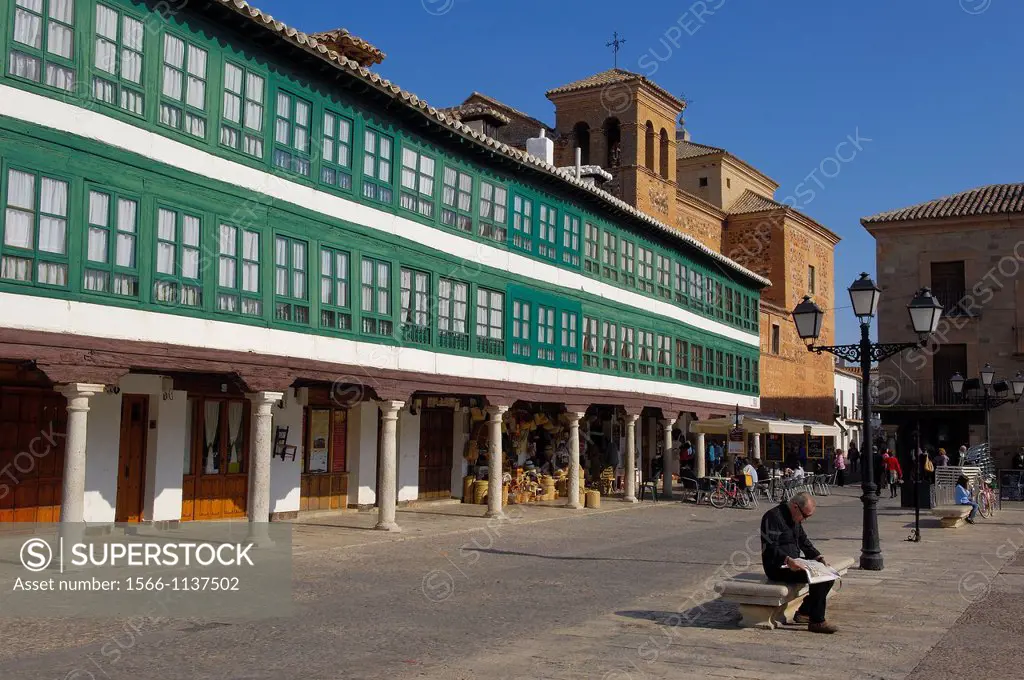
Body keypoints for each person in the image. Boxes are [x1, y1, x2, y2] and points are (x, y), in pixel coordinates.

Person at [760, 491, 837, 633]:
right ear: (795, 506)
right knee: (820, 580)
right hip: (778, 566)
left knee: (827, 575)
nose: (804, 519)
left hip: (795, 562)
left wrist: (819, 558)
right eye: (805, 515)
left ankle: (805, 612)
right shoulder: (773, 517)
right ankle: (817, 621)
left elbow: (803, 541)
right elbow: (770, 547)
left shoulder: (795, 518)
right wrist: (788, 560)